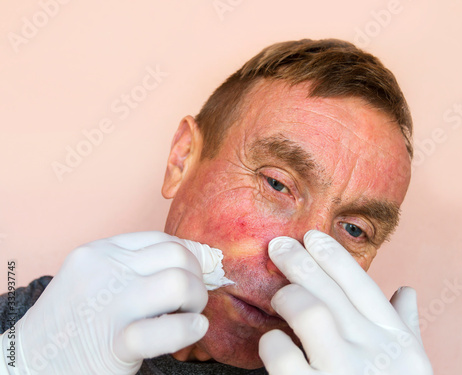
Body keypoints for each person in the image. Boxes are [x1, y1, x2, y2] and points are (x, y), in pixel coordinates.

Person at [0, 39, 433, 374]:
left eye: (354, 230)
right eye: (277, 183)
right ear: (182, 159)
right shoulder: (21, 330)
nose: (297, 263)